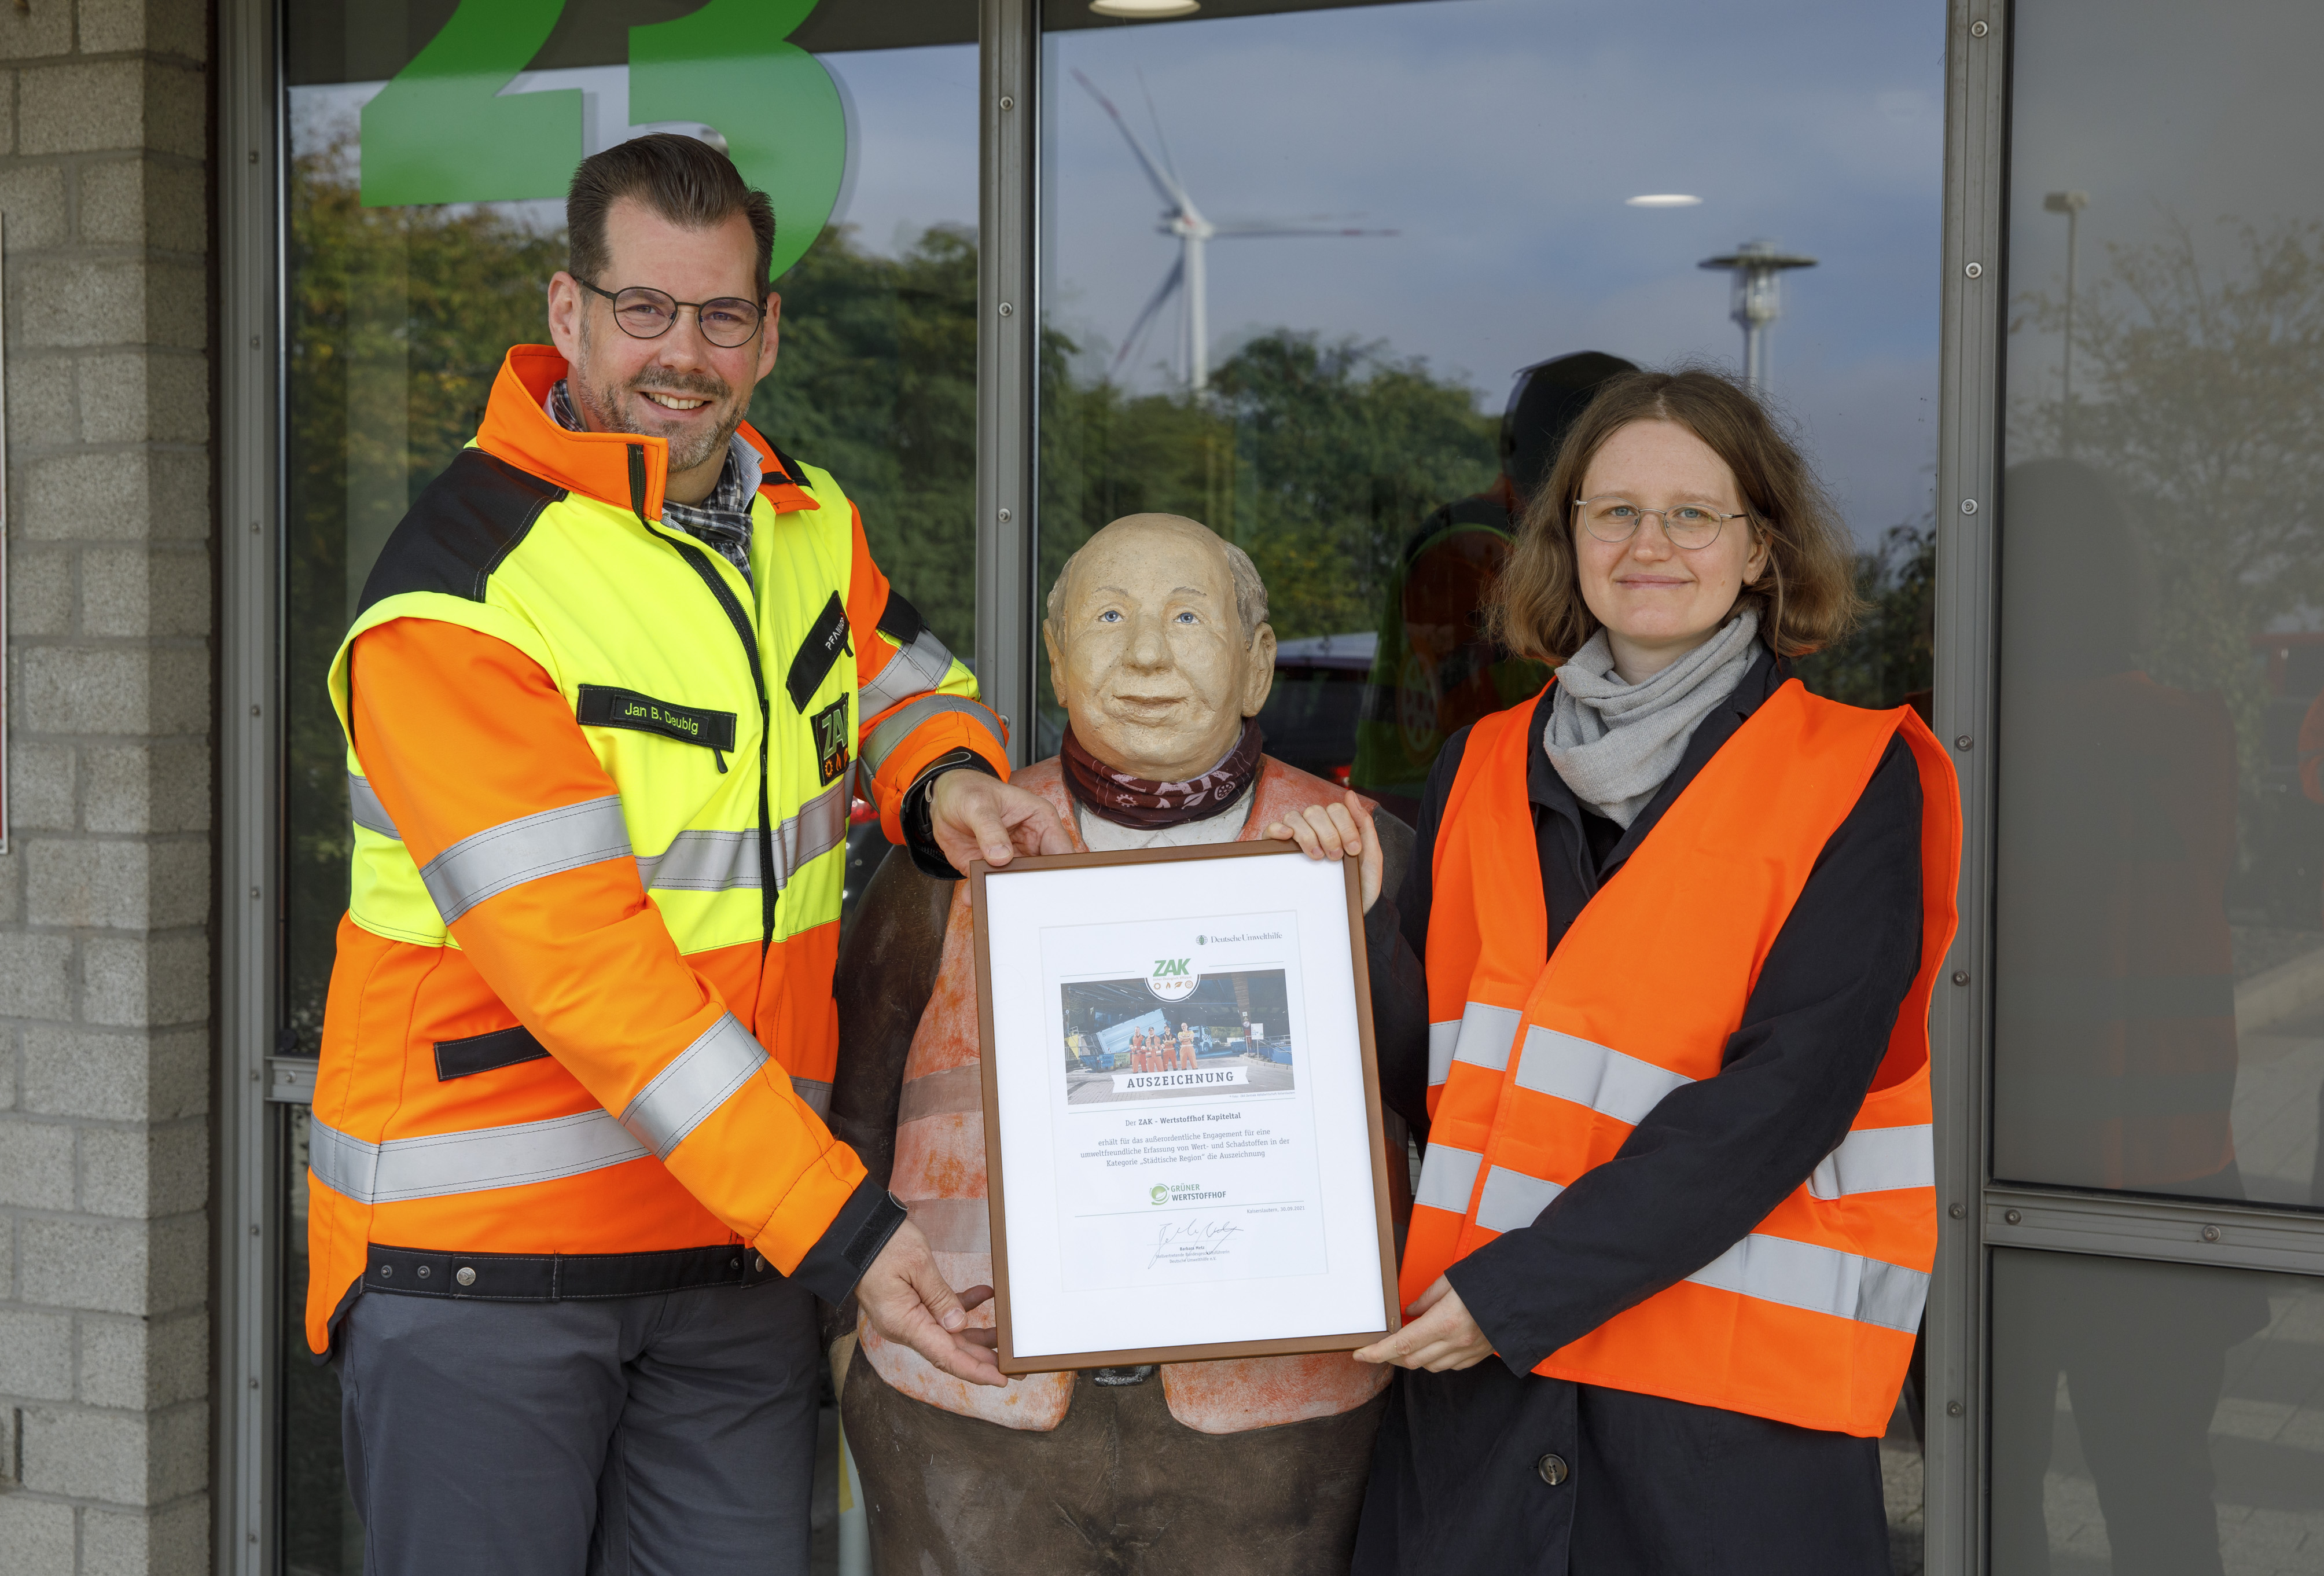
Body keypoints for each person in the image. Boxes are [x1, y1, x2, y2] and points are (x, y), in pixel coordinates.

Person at [306, 135, 1071, 1575]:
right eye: (644, 308)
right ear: (568, 312)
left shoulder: (803, 520)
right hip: (487, 1267)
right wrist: (843, 1226)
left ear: (768, 332)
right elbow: (593, 975)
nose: (683, 352)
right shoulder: (459, 594)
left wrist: (944, 779)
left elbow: (897, 678)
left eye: (720, 315)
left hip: (733, 1257)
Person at [1336, 369, 1962, 1573]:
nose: (1649, 543)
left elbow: (1784, 1100)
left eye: (1693, 514)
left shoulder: (1851, 774)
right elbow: (1433, 1079)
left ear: (1760, 548)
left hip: (1714, 1437)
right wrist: (1359, 925)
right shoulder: (1480, 764)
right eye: (1614, 510)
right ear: (1566, 536)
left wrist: (1516, 1295)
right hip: (1483, 1412)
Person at [823, 512, 1429, 1575]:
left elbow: (1444, 1101)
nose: (1147, 654)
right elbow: (855, 1103)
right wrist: (841, 1334)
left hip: (1278, 1429)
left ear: (1257, 663)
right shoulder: (954, 848)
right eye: (1108, 618)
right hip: (972, 1417)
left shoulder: (1365, 853)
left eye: (1188, 619)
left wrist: (1367, 924)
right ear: (1056, 660)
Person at [1352, 351, 1639, 821]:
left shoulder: (1509, 540)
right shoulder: (1477, 549)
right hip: (1436, 819)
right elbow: (1535, 714)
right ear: (1581, 454)